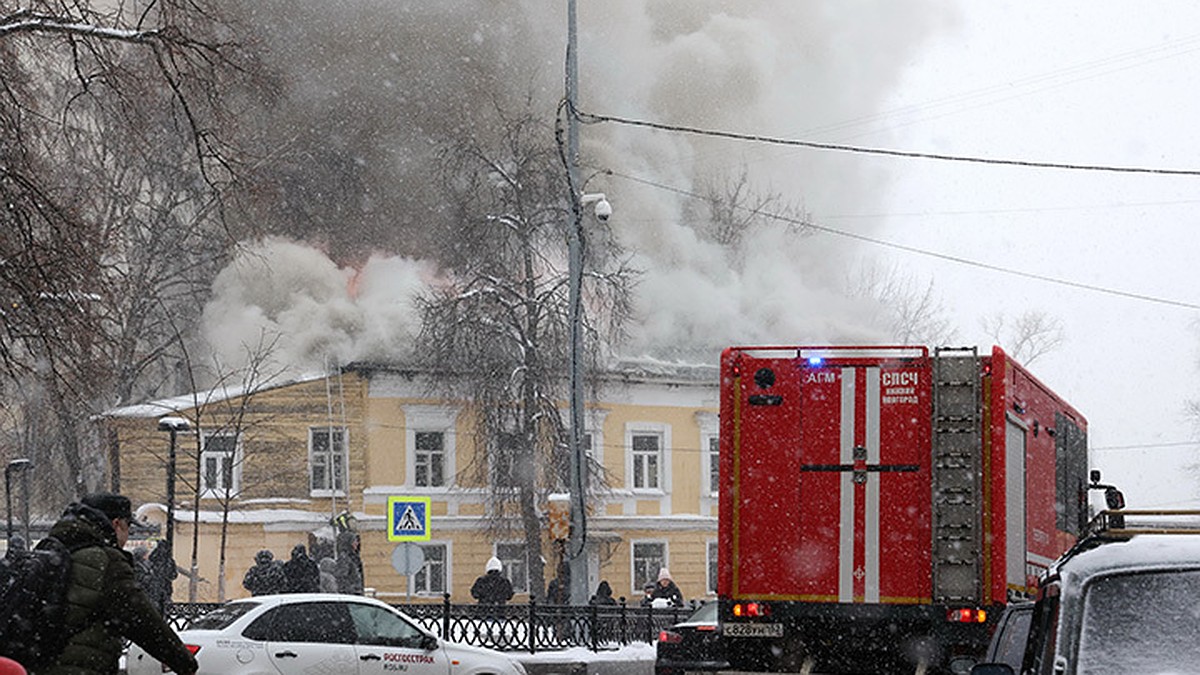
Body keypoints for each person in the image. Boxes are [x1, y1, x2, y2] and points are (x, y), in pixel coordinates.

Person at [34, 492, 197, 675]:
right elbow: (142, 621)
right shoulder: (107, 560)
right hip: (81, 667)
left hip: (39, 663)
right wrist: (185, 663)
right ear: (117, 524)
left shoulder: (49, 551)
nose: (127, 535)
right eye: (128, 527)